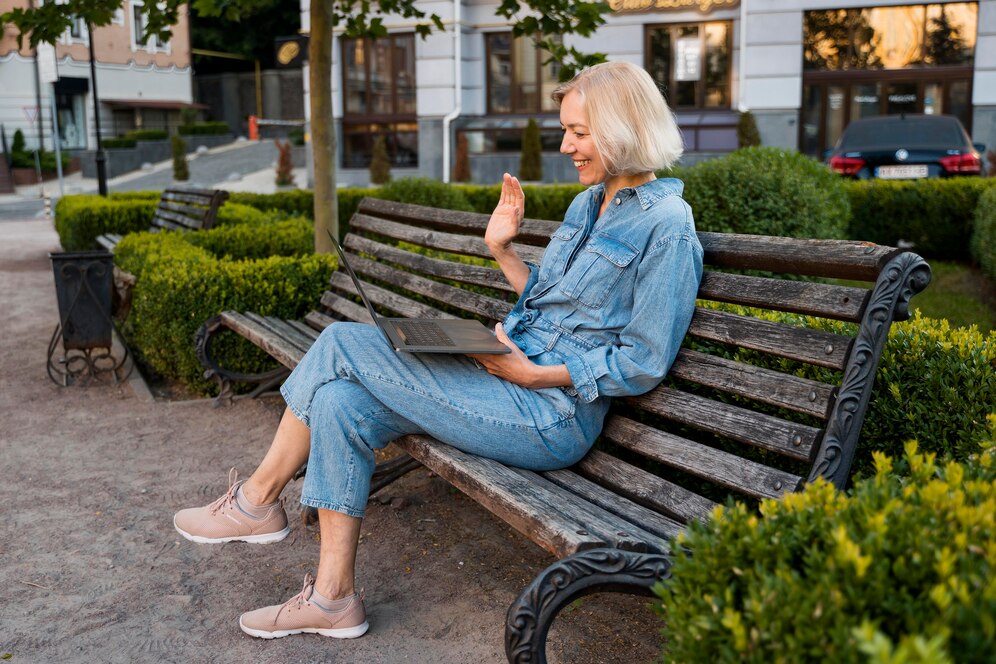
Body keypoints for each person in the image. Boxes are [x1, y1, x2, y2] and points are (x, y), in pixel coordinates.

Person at [173, 60, 703, 640]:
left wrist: (534, 375)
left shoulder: (668, 226)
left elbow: (644, 361)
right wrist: (503, 252)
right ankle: (333, 599)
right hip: (507, 382)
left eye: (578, 132)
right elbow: (558, 307)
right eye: (566, 129)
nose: (565, 144)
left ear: (623, 126)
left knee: (340, 341)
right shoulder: (587, 206)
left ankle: (257, 500)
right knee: (342, 403)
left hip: (553, 415)